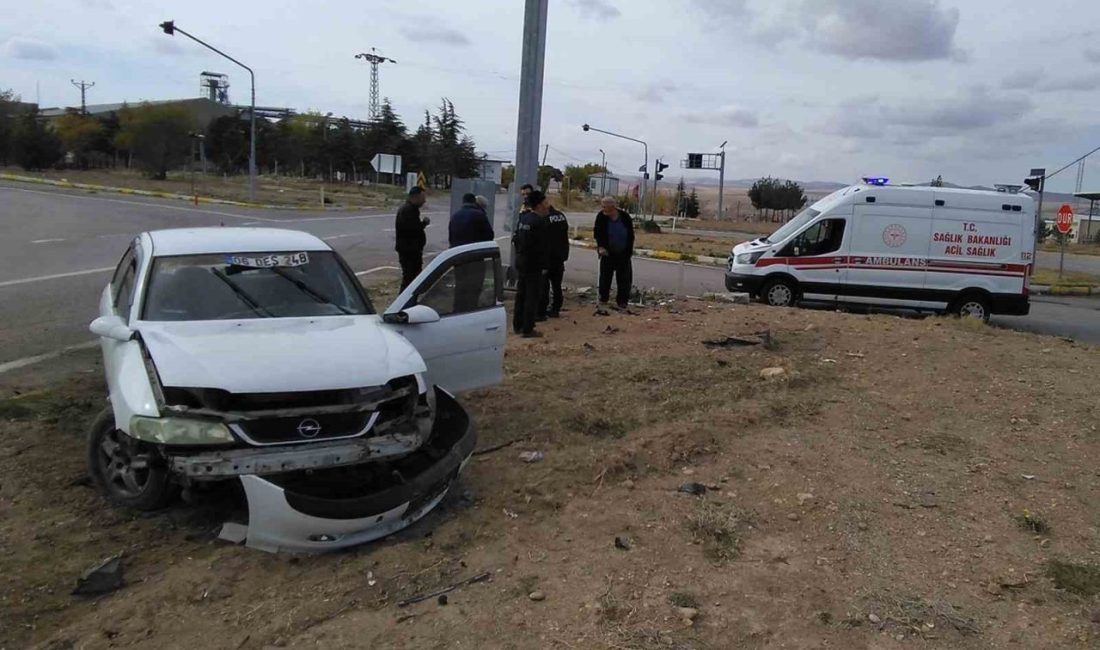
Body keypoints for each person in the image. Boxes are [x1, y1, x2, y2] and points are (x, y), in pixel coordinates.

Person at [512, 189, 550, 338]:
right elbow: (542, 247)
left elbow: (517, 240)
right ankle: (528, 328)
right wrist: (544, 266)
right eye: (546, 202)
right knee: (531, 296)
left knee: (521, 294)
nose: (548, 205)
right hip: (534, 264)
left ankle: (518, 324)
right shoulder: (539, 222)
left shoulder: (524, 219)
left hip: (522, 261)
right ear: (539, 205)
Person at [593, 196, 635, 309]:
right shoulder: (601, 217)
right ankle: (603, 298)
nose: (602, 208)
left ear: (612, 206)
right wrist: (601, 247)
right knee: (605, 277)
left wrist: (629, 250)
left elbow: (630, 234)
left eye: (604, 206)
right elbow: (597, 232)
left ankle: (622, 301)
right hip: (607, 252)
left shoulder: (624, 216)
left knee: (624, 279)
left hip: (623, 253)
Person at [394, 187, 430, 290]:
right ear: (416, 197)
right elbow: (411, 229)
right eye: (423, 198)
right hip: (409, 251)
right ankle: (405, 302)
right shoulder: (408, 210)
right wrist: (423, 223)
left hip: (411, 249)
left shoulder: (411, 209)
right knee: (410, 279)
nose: (424, 201)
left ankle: (409, 301)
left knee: (413, 278)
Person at [539, 201, 569, 319]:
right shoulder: (561, 216)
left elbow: (543, 238)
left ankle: (542, 310)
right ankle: (556, 309)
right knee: (557, 286)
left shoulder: (545, 219)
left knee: (544, 285)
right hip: (560, 257)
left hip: (548, 257)